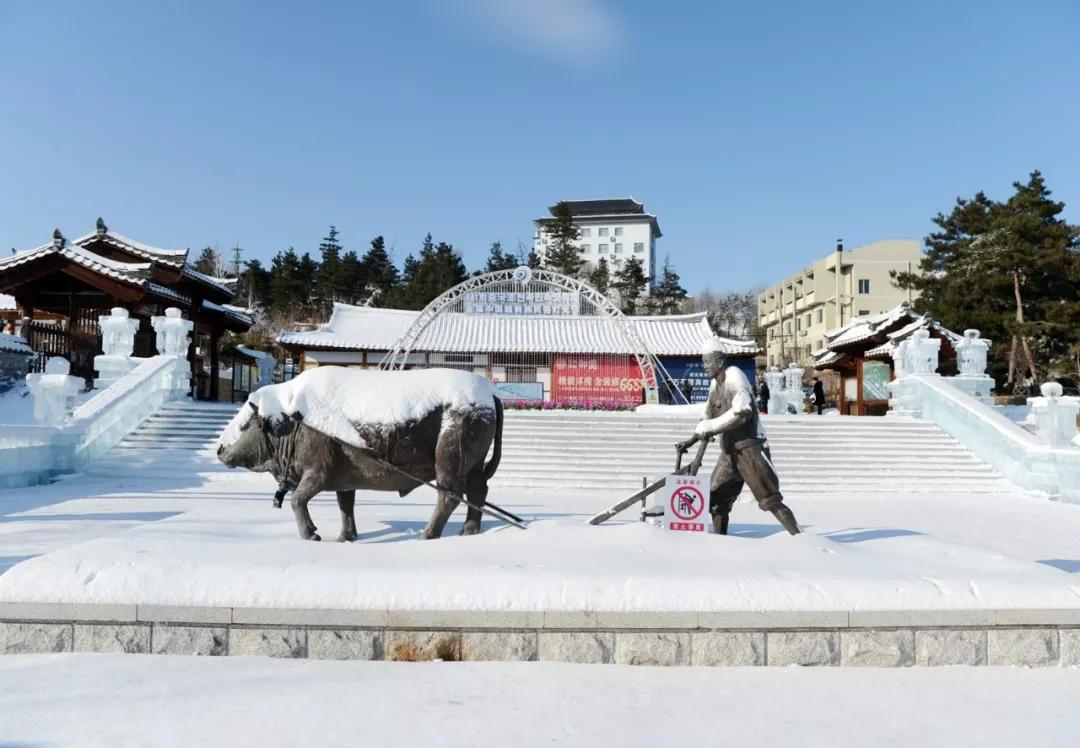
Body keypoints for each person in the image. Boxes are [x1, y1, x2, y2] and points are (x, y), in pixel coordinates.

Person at [675, 337, 801, 536]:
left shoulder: (735, 378)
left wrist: (712, 427)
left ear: (720, 362)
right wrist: (690, 441)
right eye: (703, 361)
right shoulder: (714, 388)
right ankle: (720, 541)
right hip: (729, 454)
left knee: (770, 501)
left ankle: (799, 539)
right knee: (716, 500)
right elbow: (706, 420)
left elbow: (742, 414)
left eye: (708, 361)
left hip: (750, 450)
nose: (704, 366)